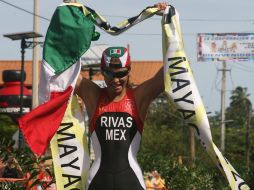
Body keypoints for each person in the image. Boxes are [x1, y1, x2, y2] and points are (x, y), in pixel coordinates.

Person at [75, 3, 168, 189]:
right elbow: (66, 70)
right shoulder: (94, 96)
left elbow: (172, 68)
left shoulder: (138, 97)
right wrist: (69, 15)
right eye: (109, 73)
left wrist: (168, 24)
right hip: (98, 181)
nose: (115, 79)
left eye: (120, 74)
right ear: (102, 72)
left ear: (129, 72)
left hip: (130, 181)